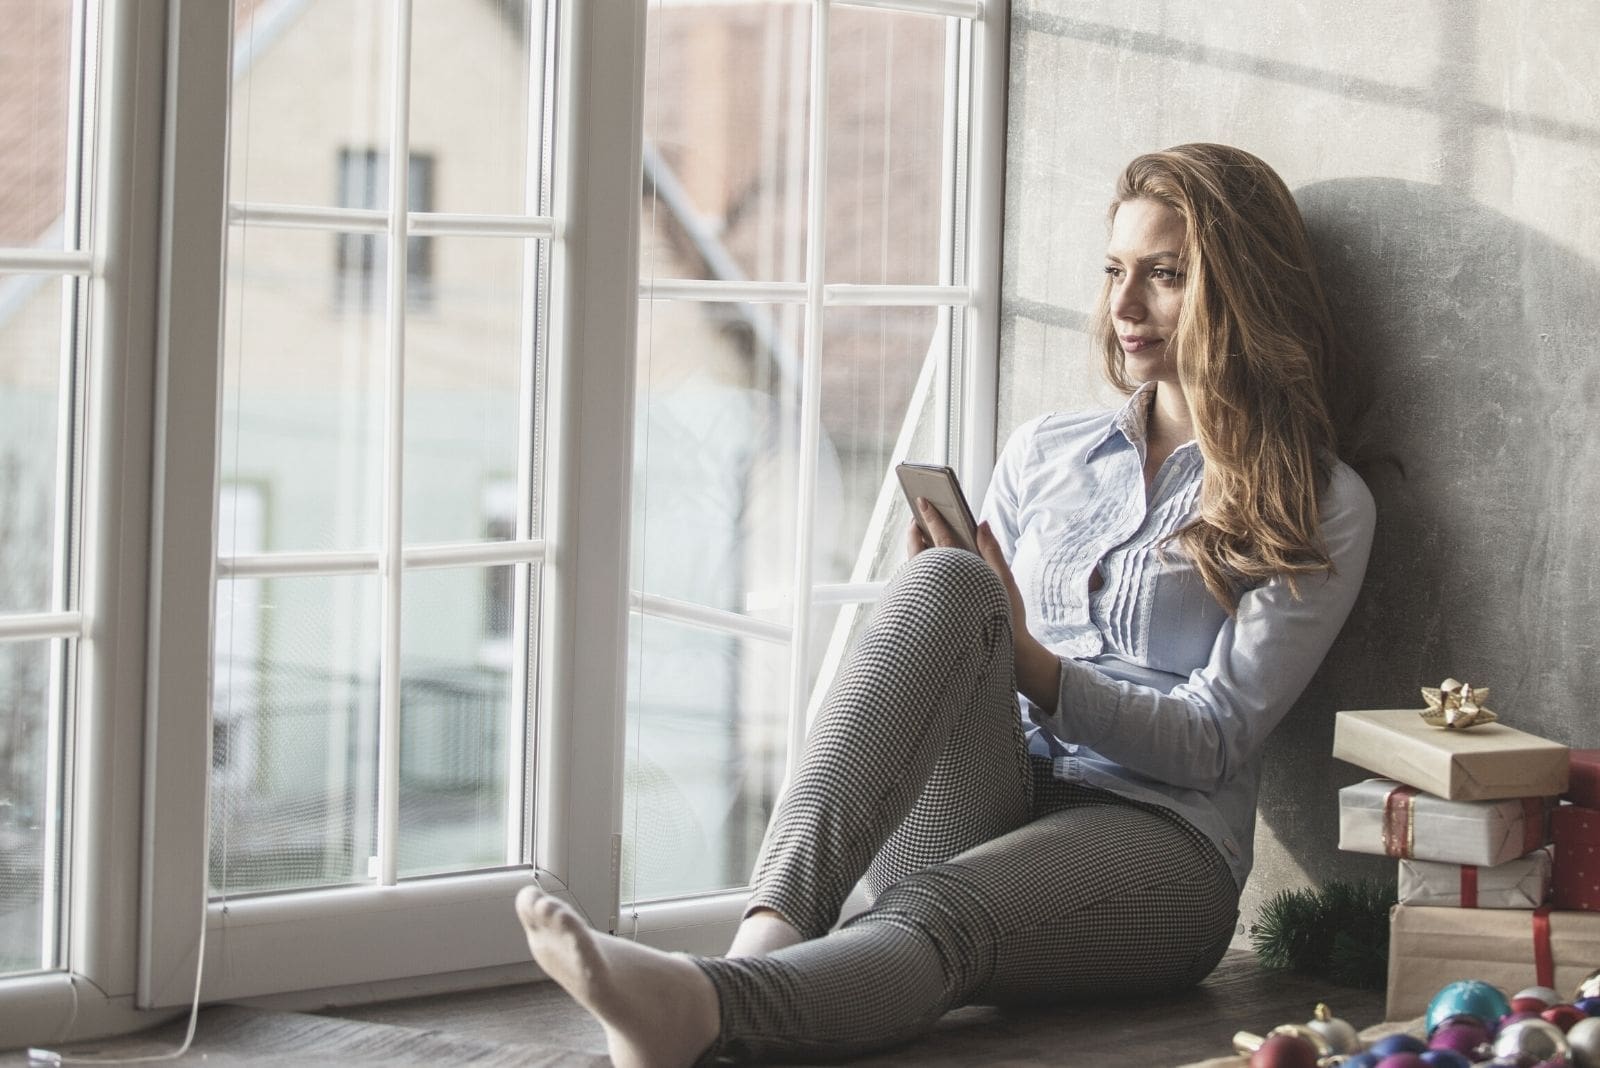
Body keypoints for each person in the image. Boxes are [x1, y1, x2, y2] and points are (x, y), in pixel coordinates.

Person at [513, 143, 1377, 1068]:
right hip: (997, 790)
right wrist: (957, 609)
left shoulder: (1317, 502)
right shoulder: (1049, 449)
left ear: (1239, 291)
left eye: (1164, 277)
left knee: (940, 909)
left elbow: (1212, 736)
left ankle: (703, 1007)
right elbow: (969, 638)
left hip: (1159, 844)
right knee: (951, 579)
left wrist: (1032, 666)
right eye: (1115, 271)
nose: (1124, 307)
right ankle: (757, 947)